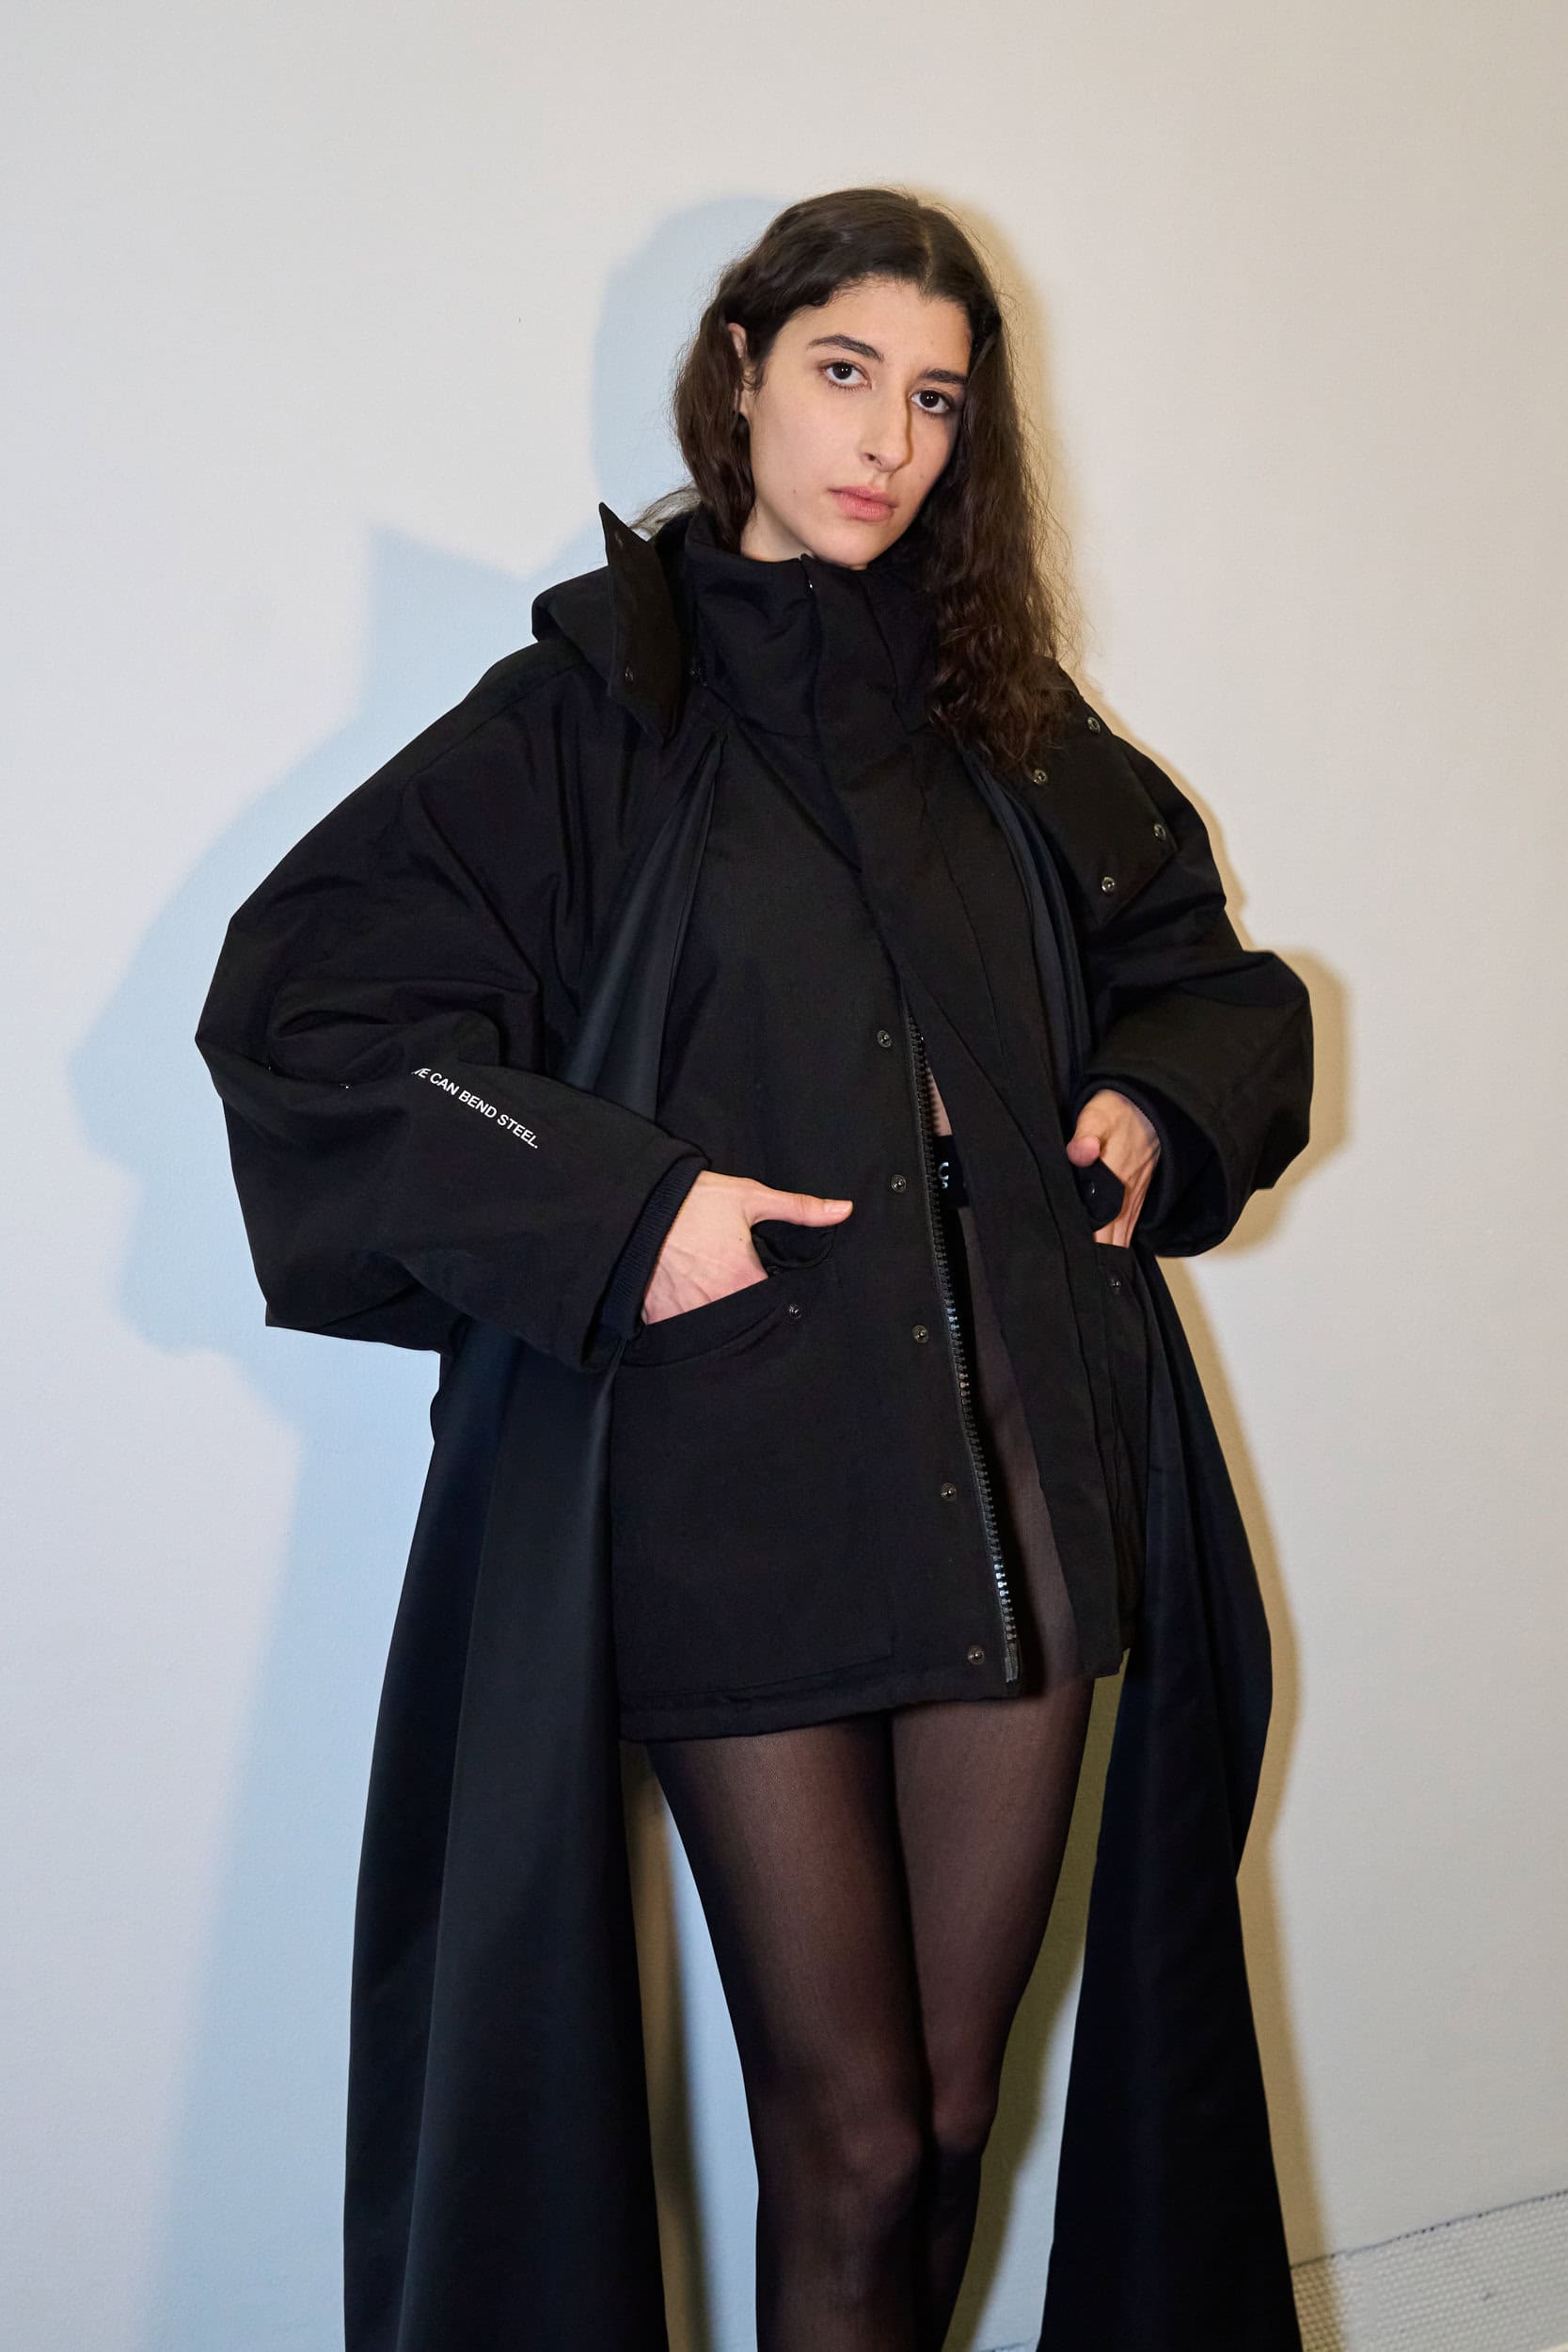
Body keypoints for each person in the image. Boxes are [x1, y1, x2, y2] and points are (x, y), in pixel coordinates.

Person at [198, 186, 1312, 2352]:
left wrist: (1155, 1100)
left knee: (951, 2110)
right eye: (844, 371)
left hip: (1022, 1459)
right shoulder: (590, 714)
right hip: (738, 1479)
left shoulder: (1012, 728)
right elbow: (307, 1014)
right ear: (739, 371)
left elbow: (1213, 983)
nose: (888, 436)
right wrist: (626, 1206)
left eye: (937, 400)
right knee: (855, 2132)